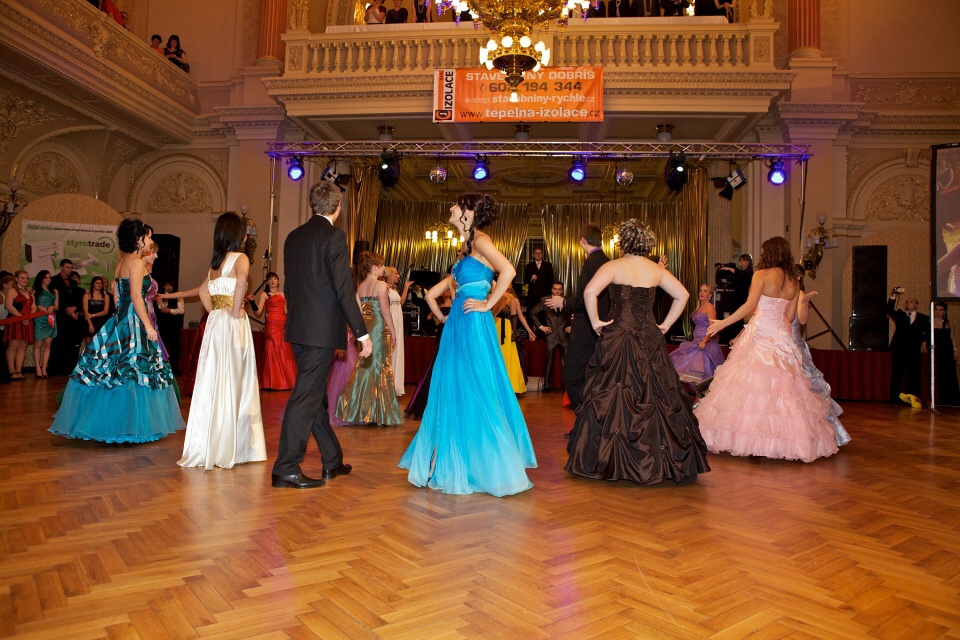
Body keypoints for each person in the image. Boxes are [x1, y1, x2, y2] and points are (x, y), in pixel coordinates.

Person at [399, 193, 537, 496]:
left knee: (478, 387)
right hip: (458, 324)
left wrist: (487, 304)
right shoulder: (469, 244)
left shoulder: (481, 240)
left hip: (473, 322)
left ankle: (490, 464)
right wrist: (448, 316)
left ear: (469, 213)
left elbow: (509, 271)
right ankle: (447, 457)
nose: (451, 207)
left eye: (456, 205)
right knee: (452, 387)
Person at [565, 219, 709, 484]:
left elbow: (590, 292)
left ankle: (611, 460)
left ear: (623, 242)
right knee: (656, 394)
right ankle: (655, 460)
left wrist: (596, 322)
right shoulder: (655, 270)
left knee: (612, 393)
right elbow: (683, 295)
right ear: (646, 243)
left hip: (618, 336)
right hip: (649, 339)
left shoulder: (613, 266)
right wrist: (665, 325)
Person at [694, 237, 839, 462]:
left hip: (760, 335)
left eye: (763, 252)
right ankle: (781, 444)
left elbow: (750, 306)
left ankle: (749, 441)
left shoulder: (761, 274)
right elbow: (789, 317)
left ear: (769, 253)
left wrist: (723, 323)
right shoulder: (794, 281)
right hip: (781, 339)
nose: (761, 255)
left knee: (749, 389)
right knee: (783, 393)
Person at [273, 181, 372, 489]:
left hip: (298, 328)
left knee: (314, 396)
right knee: (306, 397)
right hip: (319, 332)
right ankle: (286, 468)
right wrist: (361, 333)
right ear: (338, 207)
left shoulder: (293, 236)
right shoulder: (334, 236)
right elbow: (343, 288)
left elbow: (291, 285)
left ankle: (332, 460)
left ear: (313, 204)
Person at [49, 220, 185, 442]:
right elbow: (135, 296)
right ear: (138, 239)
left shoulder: (122, 261)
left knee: (114, 370)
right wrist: (147, 325)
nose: (150, 241)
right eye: (149, 237)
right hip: (133, 320)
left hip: (120, 319)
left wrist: (121, 316)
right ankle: (131, 425)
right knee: (135, 369)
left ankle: (115, 423)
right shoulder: (137, 262)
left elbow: (115, 292)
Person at [178, 213, 266, 469]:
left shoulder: (214, 265)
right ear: (237, 234)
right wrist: (235, 310)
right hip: (232, 325)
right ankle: (235, 447)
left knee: (215, 380)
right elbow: (241, 281)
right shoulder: (240, 258)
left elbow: (203, 292)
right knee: (236, 380)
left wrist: (217, 310)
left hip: (216, 324)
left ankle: (212, 444)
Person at [336, 252, 403, 426]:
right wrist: (393, 332)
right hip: (379, 330)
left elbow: (357, 314)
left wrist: (357, 334)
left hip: (365, 332)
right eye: (382, 265)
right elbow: (385, 311)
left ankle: (361, 411)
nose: (384, 268)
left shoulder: (360, 287)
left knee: (365, 368)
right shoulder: (381, 285)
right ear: (374, 267)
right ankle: (381, 414)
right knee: (382, 367)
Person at [792, 265, 850, 446]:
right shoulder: (780, 294)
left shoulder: (799, 294)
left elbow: (802, 320)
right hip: (780, 343)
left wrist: (803, 303)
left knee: (804, 387)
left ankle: (812, 435)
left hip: (794, 344)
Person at [404, 276, 455, 420]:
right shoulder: (449, 290)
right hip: (446, 331)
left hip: (450, 329)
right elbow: (428, 314)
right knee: (442, 363)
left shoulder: (453, 286)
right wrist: (442, 318)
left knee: (442, 364)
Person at [249, 272, 297, 391]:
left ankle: (286, 381)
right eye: (270, 279)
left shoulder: (283, 294)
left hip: (282, 323)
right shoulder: (264, 294)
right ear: (267, 282)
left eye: (275, 278)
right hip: (272, 325)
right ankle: (271, 381)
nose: (273, 281)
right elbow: (258, 311)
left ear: (278, 281)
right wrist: (252, 302)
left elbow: (285, 310)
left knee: (284, 349)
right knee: (272, 348)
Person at [669, 284, 725, 382]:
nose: (702, 293)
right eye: (700, 290)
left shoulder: (709, 307)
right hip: (696, 340)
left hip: (705, 342)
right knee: (686, 366)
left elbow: (712, 327)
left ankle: (700, 391)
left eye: (705, 291)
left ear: (710, 295)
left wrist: (704, 341)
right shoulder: (699, 307)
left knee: (698, 369)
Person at [886, 291, 930, 408]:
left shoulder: (924, 318)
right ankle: (894, 398)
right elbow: (889, 310)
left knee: (914, 374)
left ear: (916, 305)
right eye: (907, 302)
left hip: (914, 350)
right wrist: (893, 296)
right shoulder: (900, 315)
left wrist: (924, 347)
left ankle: (913, 398)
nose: (908, 303)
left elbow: (924, 335)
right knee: (897, 374)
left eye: (911, 302)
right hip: (899, 349)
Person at [492, 284, 536, 394]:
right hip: (493, 326)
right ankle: (494, 385)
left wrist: (517, 331)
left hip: (505, 328)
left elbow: (515, 316)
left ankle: (506, 385)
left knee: (506, 354)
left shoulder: (512, 298)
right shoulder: (492, 295)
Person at [527, 282, 569, 392]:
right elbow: (532, 313)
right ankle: (546, 385)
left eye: (559, 289)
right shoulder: (545, 300)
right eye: (555, 289)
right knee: (549, 360)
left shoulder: (566, 300)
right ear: (552, 290)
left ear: (562, 291)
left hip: (564, 335)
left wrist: (572, 326)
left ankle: (567, 386)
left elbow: (576, 314)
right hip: (550, 335)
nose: (557, 291)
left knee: (566, 361)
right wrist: (541, 327)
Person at [49, 259, 84, 376]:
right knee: (58, 342)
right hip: (59, 315)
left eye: (71, 268)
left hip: (71, 317)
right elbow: (55, 299)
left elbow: (76, 298)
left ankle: (68, 368)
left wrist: (74, 308)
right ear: (61, 267)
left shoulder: (73, 283)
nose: (69, 270)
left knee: (70, 342)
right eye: (67, 267)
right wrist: (68, 310)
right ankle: (55, 367)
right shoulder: (54, 280)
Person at [382, 266, 413, 396]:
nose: (398, 276)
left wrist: (406, 287)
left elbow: (401, 302)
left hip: (398, 320)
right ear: (389, 275)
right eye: (395, 273)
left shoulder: (393, 289)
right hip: (391, 319)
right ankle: (386, 384)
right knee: (389, 351)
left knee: (397, 350)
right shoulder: (383, 287)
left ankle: (395, 384)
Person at [4, 270, 35, 380]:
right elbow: (8, 305)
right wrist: (21, 317)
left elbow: (34, 307)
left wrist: (29, 317)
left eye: (27, 278)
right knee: (13, 345)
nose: (25, 280)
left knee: (23, 346)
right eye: (22, 278)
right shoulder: (12, 290)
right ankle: (11, 370)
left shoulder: (29, 292)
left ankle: (18, 370)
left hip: (27, 321)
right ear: (16, 279)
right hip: (16, 320)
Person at [32, 270, 58, 379]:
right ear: (40, 279)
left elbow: (57, 306)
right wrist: (39, 306)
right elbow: (32, 305)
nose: (48, 279)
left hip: (50, 317)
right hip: (39, 318)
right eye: (45, 277)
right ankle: (37, 368)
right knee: (38, 344)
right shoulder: (35, 291)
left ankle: (44, 368)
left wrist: (52, 307)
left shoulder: (54, 291)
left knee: (48, 343)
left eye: (49, 277)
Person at [933, 301, 960, 405]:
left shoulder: (949, 323)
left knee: (949, 374)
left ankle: (951, 398)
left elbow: (953, 337)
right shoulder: (930, 322)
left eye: (940, 310)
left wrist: (955, 350)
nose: (938, 312)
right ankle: (939, 398)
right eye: (936, 309)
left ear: (945, 312)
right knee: (938, 374)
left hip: (948, 351)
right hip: (936, 351)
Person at [155, 282, 183, 374]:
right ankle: (163, 367)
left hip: (174, 325)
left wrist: (170, 310)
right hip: (163, 325)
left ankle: (175, 368)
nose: (169, 287)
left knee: (175, 347)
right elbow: (161, 308)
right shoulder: (159, 296)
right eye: (167, 285)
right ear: (164, 286)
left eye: (170, 285)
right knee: (163, 346)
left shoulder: (178, 296)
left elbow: (181, 310)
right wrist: (166, 298)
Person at [82, 276, 114, 343]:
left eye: (101, 283)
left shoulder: (106, 296)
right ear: (93, 284)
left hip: (101, 321)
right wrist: (90, 324)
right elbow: (85, 312)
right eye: (97, 283)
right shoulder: (87, 295)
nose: (99, 285)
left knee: (101, 343)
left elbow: (105, 311)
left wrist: (93, 315)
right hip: (89, 321)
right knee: (89, 344)